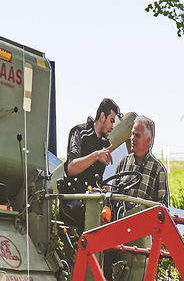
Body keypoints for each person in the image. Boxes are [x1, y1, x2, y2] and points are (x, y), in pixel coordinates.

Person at [60, 97, 120, 229]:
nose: (112, 126)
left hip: (94, 202)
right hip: (74, 201)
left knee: (119, 212)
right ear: (102, 116)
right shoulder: (79, 132)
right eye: (111, 121)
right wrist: (95, 156)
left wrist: (104, 187)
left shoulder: (105, 144)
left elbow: (97, 178)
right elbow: (71, 168)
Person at [105, 115, 168, 207]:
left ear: (148, 141)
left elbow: (163, 208)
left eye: (137, 135)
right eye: (132, 134)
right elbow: (113, 199)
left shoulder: (158, 170)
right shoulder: (123, 163)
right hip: (120, 220)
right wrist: (108, 193)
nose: (132, 138)